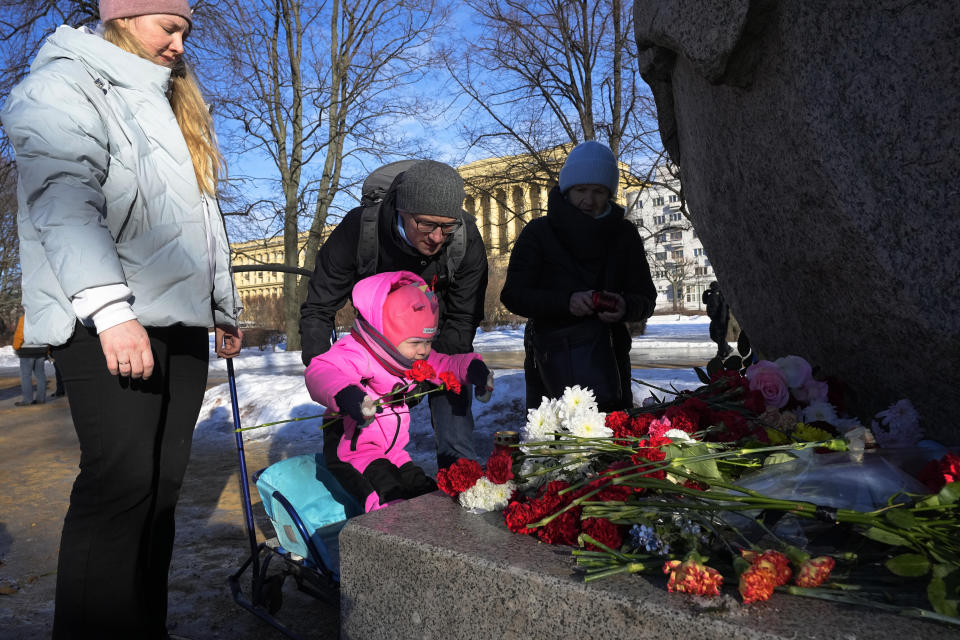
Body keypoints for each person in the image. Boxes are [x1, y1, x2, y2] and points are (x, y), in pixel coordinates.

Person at [1, 2, 243, 637]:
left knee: (161, 490)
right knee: (119, 486)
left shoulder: (174, 102)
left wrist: (222, 303)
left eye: (186, 30)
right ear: (124, 18)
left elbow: (201, 218)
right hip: (106, 320)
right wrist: (110, 311)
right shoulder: (61, 83)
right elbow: (64, 202)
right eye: (169, 27)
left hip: (180, 321)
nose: (179, 44)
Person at [300, 159, 489, 469]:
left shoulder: (465, 240)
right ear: (403, 211)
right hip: (376, 346)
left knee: (454, 404)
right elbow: (319, 308)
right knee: (366, 439)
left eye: (447, 226)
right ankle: (369, 481)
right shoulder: (359, 230)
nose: (437, 237)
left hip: (436, 337)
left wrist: (424, 374)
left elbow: (464, 317)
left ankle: (460, 478)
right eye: (426, 224)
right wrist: (326, 371)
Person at [305, 271, 493, 512]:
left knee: (424, 494)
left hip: (393, 451)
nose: (424, 351)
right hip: (354, 451)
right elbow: (322, 370)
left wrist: (473, 369)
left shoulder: (407, 356)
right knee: (389, 499)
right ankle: (386, 544)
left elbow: (443, 363)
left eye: (428, 341)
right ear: (384, 333)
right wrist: (348, 394)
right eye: (416, 343)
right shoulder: (358, 353)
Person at [500, 141, 657, 412]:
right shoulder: (539, 233)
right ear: (567, 189)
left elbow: (645, 297)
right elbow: (514, 295)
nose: (589, 200)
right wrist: (566, 302)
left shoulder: (624, 235)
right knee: (553, 445)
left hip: (609, 360)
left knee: (611, 442)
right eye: (580, 190)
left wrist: (625, 307)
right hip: (552, 360)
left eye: (598, 191)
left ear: (609, 193)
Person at [12, 312, 49, 406]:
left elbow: (20, 334)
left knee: (26, 376)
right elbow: (49, 334)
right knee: (40, 375)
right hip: (41, 349)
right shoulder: (44, 318)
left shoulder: (25, 318)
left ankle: (27, 400)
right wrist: (47, 350)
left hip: (27, 350)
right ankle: (41, 399)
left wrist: (16, 346)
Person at [702, 281, 732, 358]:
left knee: (720, 337)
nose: (711, 288)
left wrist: (722, 320)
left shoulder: (721, 295)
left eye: (711, 287)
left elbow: (723, 309)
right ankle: (727, 348)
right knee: (713, 335)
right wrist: (706, 292)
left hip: (721, 319)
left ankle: (722, 354)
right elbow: (704, 301)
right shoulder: (712, 295)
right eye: (710, 287)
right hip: (714, 319)